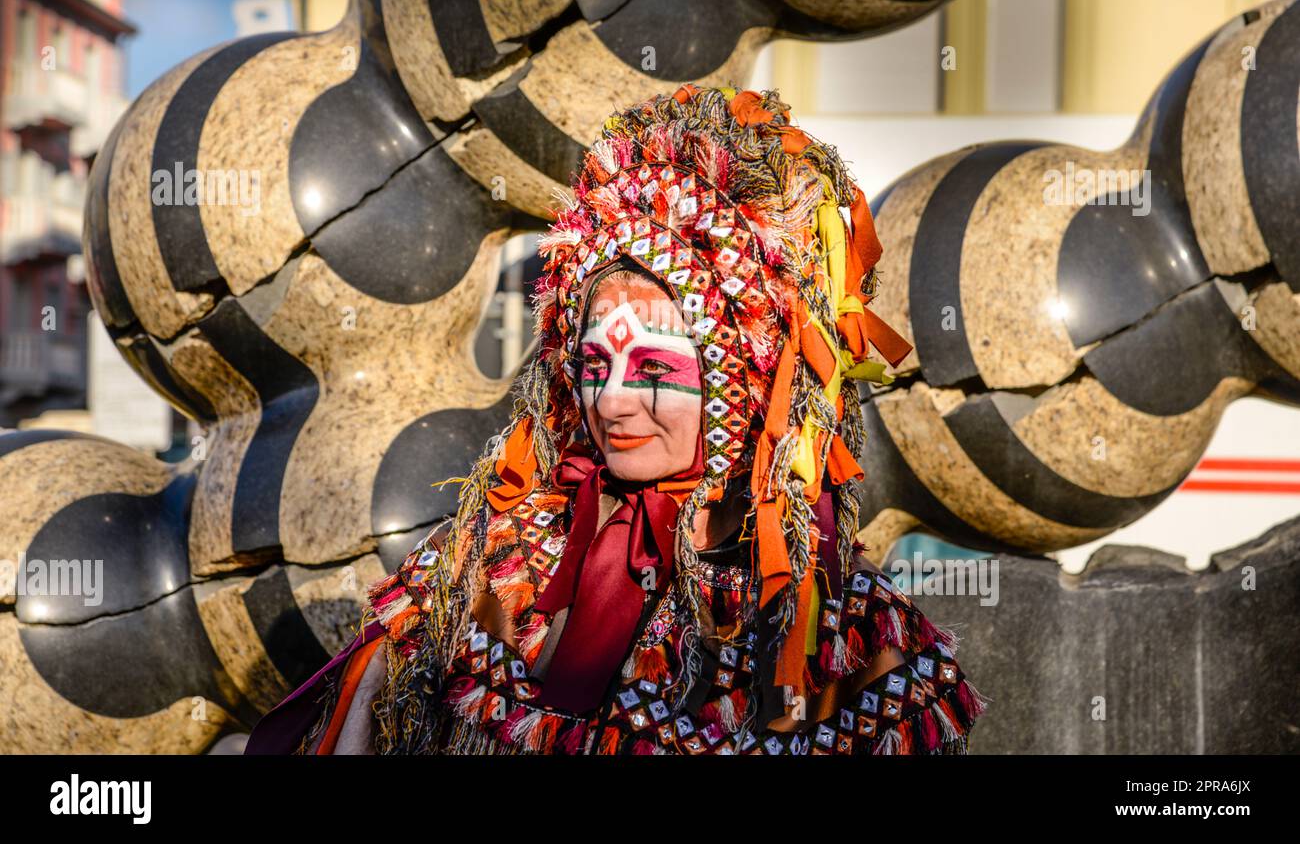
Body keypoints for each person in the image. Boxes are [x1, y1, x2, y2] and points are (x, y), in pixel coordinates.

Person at [245, 84, 989, 755]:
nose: (611, 401)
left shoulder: (835, 631)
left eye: (657, 371)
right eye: (594, 367)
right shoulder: (495, 567)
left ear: (745, 386)